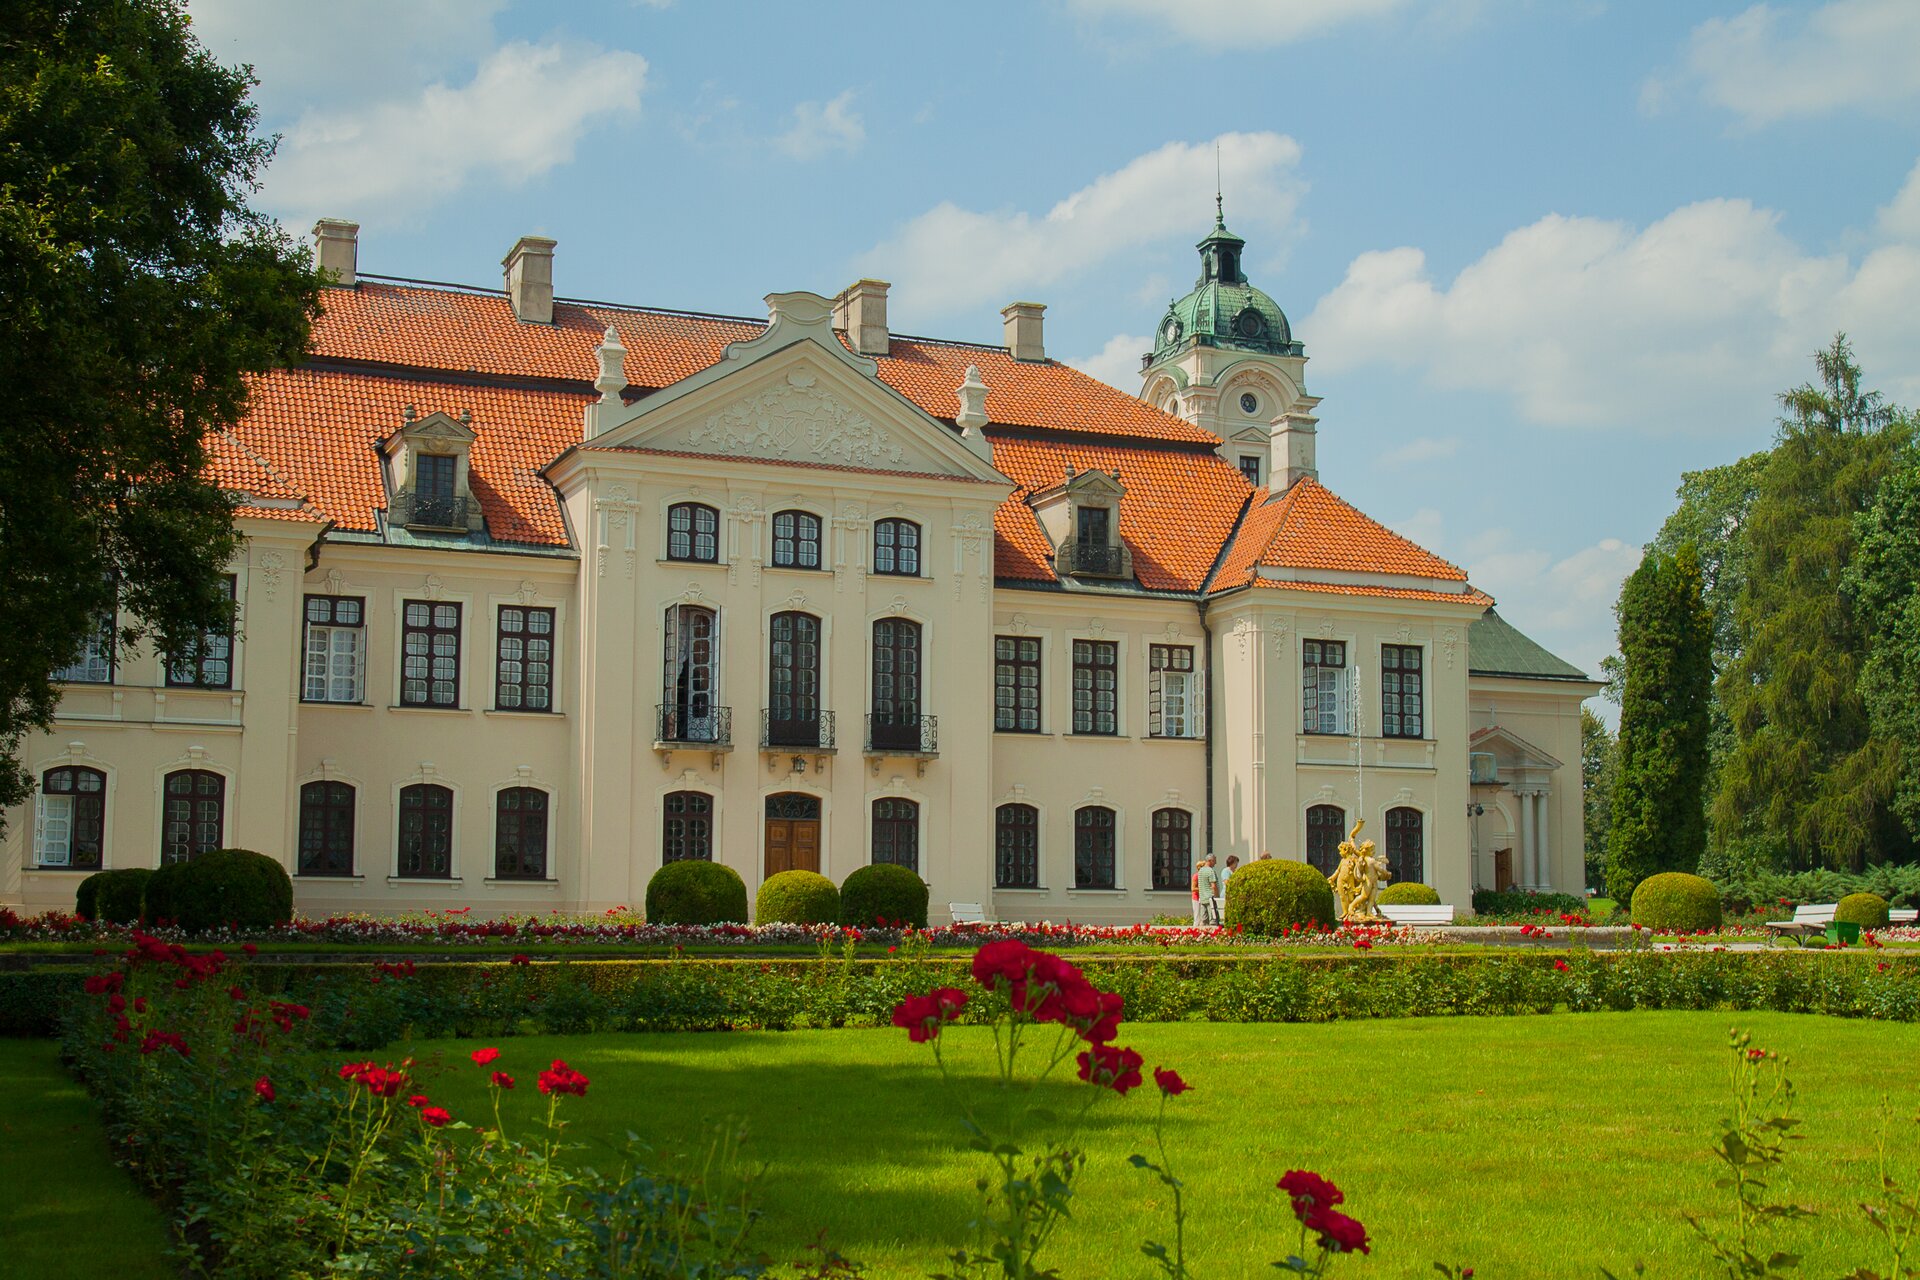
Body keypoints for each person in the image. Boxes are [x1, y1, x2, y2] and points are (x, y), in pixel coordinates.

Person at [1195, 855, 1220, 926]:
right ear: (1210, 861)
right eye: (1214, 861)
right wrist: (1217, 896)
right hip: (1210, 898)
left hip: (1203, 898)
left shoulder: (1200, 871)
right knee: (1213, 920)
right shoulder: (1210, 871)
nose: (1215, 863)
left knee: (1203, 921)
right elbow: (1213, 886)